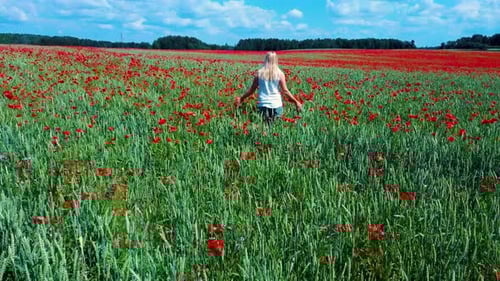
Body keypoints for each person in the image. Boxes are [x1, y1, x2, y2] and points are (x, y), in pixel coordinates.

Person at [234, 51, 303, 128]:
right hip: (276, 105)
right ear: (276, 60)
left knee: (264, 129)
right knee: (276, 130)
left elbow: (251, 90)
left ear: (266, 60)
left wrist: (242, 98)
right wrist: (296, 102)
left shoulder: (259, 73)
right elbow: (285, 91)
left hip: (263, 104)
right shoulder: (280, 73)